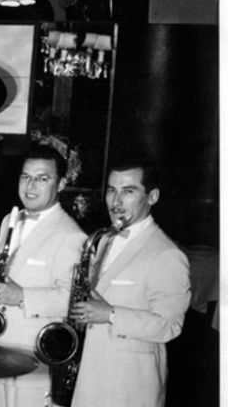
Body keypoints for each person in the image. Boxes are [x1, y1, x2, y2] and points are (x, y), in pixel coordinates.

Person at [69, 161, 190, 407]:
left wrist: (111, 314)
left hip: (130, 383)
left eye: (128, 191)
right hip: (90, 376)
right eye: (112, 190)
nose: (115, 202)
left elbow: (170, 325)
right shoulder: (104, 239)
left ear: (152, 196)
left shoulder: (167, 253)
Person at [0, 145, 87, 407]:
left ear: (61, 183)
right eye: (25, 177)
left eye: (42, 178)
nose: (31, 185)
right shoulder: (10, 219)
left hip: (35, 351)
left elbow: (73, 301)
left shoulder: (71, 235)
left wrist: (21, 296)